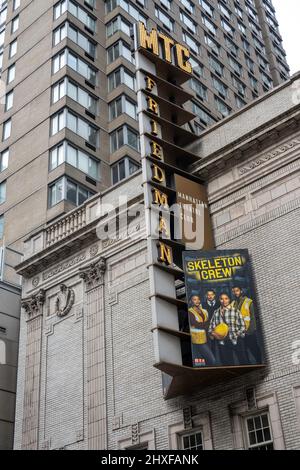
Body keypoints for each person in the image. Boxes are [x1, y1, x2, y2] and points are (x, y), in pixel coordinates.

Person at [209, 293, 248, 366]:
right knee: (228, 364)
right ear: (219, 300)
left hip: (236, 340)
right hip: (223, 343)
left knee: (243, 361)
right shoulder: (216, 312)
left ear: (229, 299)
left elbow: (243, 326)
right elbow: (211, 327)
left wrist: (236, 334)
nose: (224, 301)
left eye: (226, 298)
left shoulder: (235, 311)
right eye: (221, 299)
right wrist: (214, 334)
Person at [231, 285, 262, 364]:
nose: (235, 293)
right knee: (243, 354)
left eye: (237, 290)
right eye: (234, 291)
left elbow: (252, 318)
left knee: (254, 350)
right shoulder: (232, 304)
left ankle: (259, 363)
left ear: (241, 291)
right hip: (239, 334)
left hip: (249, 332)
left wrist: (250, 331)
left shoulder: (248, 301)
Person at [188, 295, 216, 367]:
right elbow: (195, 324)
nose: (197, 301)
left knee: (206, 359)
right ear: (191, 302)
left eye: (198, 299)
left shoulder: (204, 311)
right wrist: (206, 323)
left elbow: (209, 322)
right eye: (194, 299)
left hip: (208, 337)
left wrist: (204, 324)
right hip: (198, 340)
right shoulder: (190, 312)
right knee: (212, 360)